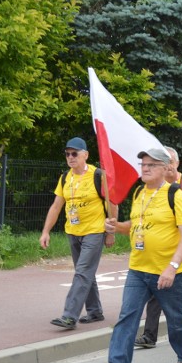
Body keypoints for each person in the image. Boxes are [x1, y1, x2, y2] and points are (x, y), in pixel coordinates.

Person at [93, 148, 182, 363]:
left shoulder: (174, 194)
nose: (145, 168)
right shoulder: (139, 192)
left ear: (164, 168)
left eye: (151, 165)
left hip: (168, 271)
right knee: (127, 317)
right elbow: (137, 225)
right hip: (138, 268)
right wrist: (117, 226)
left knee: (176, 318)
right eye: (143, 164)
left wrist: (171, 267)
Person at [134, 147, 182, 348]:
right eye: (163, 162)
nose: (167, 165)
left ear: (176, 164)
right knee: (155, 292)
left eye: (169, 162)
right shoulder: (153, 189)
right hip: (161, 253)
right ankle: (149, 336)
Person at [41, 137, 115, 330]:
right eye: (67, 154)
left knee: (82, 272)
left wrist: (110, 232)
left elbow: (113, 204)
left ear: (86, 155)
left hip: (95, 231)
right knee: (84, 273)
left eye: (75, 153)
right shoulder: (65, 178)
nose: (70, 157)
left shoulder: (98, 175)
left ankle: (69, 316)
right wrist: (46, 231)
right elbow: (56, 206)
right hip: (73, 231)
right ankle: (95, 311)